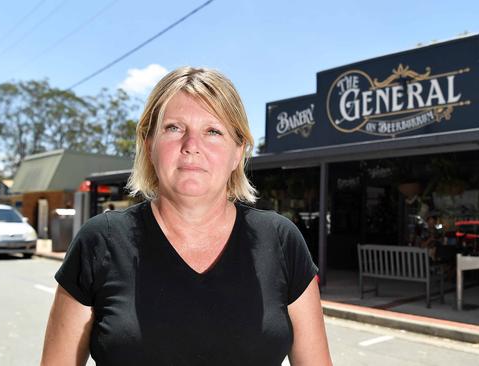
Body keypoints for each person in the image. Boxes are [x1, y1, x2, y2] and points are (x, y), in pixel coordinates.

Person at [41, 66, 332, 366]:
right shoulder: (99, 242)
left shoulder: (282, 242)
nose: (192, 146)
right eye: (174, 128)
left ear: (238, 152)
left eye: (213, 131)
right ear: (149, 144)